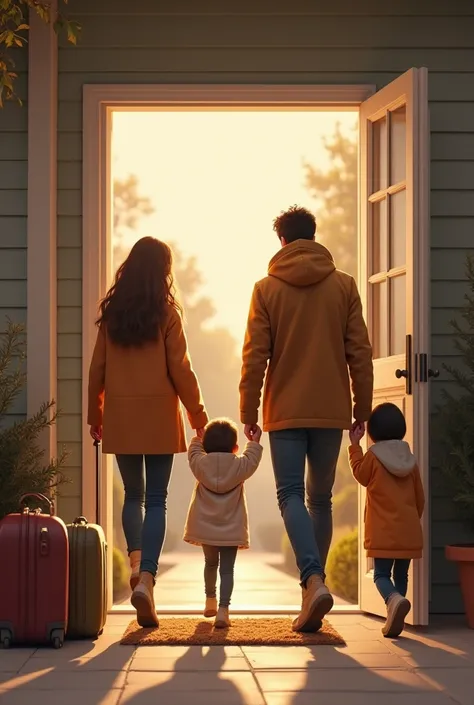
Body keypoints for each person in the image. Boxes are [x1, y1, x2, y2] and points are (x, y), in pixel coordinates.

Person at [239, 205, 373, 632]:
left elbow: (254, 356)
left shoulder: (266, 289)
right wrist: (362, 409)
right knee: (321, 499)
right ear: (313, 236)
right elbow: (361, 352)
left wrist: (247, 409)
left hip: (286, 410)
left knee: (289, 495)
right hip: (330, 409)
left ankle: (312, 581)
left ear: (282, 241)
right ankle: (314, 589)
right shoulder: (345, 286)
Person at [88, 236, 208, 628]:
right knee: (157, 498)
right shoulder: (167, 313)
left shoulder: (113, 314)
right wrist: (197, 414)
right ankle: (149, 581)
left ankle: (136, 562)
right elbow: (181, 370)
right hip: (158, 414)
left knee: (132, 495)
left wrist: (95, 414)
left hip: (122, 415)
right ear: (163, 271)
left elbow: (97, 370)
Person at [349, 403, 424, 638]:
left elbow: (361, 475)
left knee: (382, 575)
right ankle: (396, 618)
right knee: (401, 575)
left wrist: (354, 446)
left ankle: (393, 601)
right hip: (408, 530)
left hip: (383, 531)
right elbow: (419, 498)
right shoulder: (409, 459)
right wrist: (411, 520)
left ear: (373, 432)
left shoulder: (373, 456)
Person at [183, 418, 263, 628]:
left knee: (210, 564)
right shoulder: (239, 466)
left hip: (205, 527)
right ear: (235, 447)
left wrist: (198, 438)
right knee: (227, 570)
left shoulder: (200, 464)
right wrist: (253, 441)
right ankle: (223, 610)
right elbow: (252, 459)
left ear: (205, 446)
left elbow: (192, 452)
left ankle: (210, 599)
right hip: (231, 529)